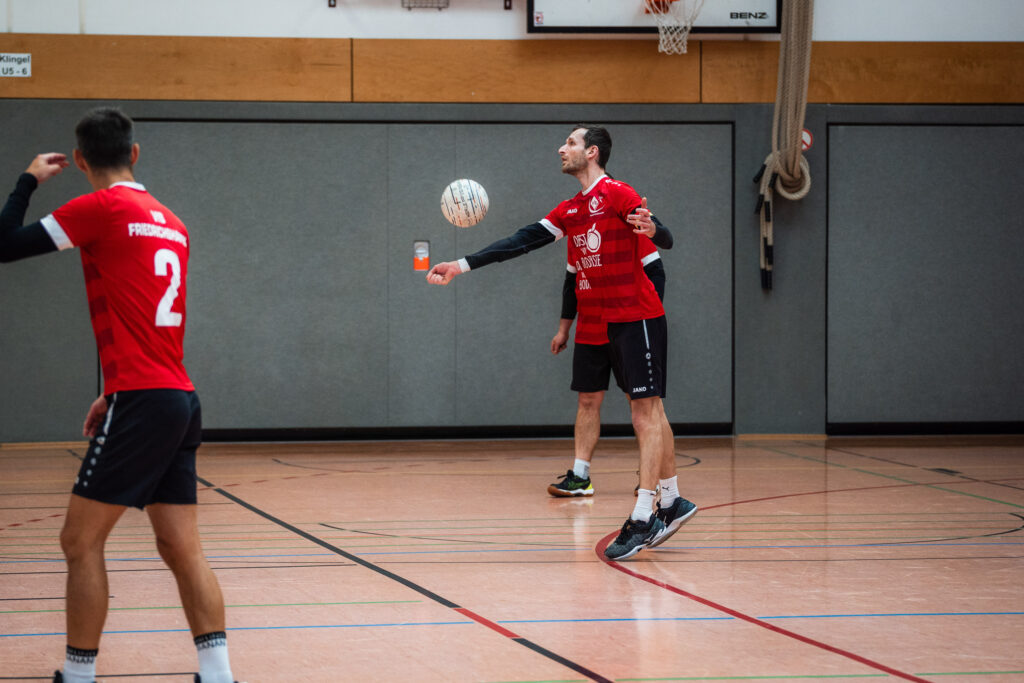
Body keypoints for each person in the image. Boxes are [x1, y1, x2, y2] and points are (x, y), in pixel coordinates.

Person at [0, 108, 237, 683]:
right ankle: (218, 675)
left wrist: (28, 179)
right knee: (181, 546)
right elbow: (145, 317)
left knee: (79, 541)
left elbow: (3, 245)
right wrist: (113, 391)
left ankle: (78, 675)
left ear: (81, 161)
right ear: (135, 153)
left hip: (144, 399)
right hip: (177, 397)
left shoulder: (99, 208)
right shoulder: (172, 222)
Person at [426, 124, 697, 560]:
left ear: (592, 152)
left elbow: (665, 236)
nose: (561, 148)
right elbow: (521, 241)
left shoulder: (618, 193)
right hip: (605, 323)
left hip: (638, 316)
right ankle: (671, 500)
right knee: (650, 413)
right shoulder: (571, 210)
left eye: (570, 142)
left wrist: (652, 229)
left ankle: (644, 516)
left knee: (645, 415)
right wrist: (461, 264)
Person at [547, 210, 675, 499]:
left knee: (644, 406)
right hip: (590, 329)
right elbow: (570, 283)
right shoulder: (577, 232)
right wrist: (563, 329)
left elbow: (657, 272)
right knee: (587, 399)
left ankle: (651, 477)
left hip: (628, 327)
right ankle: (580, 477)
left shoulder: (627, 229)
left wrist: (644, 321)